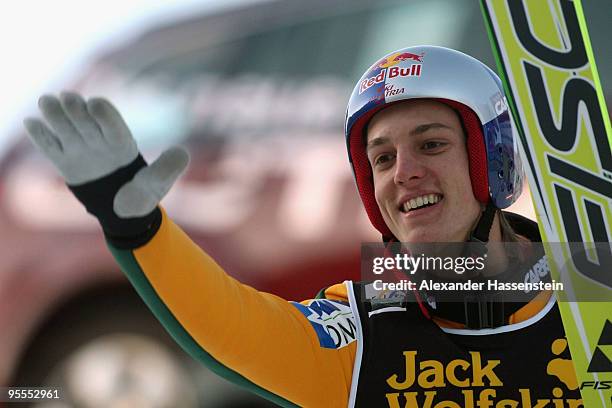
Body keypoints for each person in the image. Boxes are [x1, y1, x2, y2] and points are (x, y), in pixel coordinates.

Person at [24, 46, 581, 407]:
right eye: (382, 159)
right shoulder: (361, 331)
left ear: (494, 163)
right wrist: (140, 230)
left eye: (431, 144)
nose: (404, 173)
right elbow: (231, 324)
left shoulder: (590, 295)